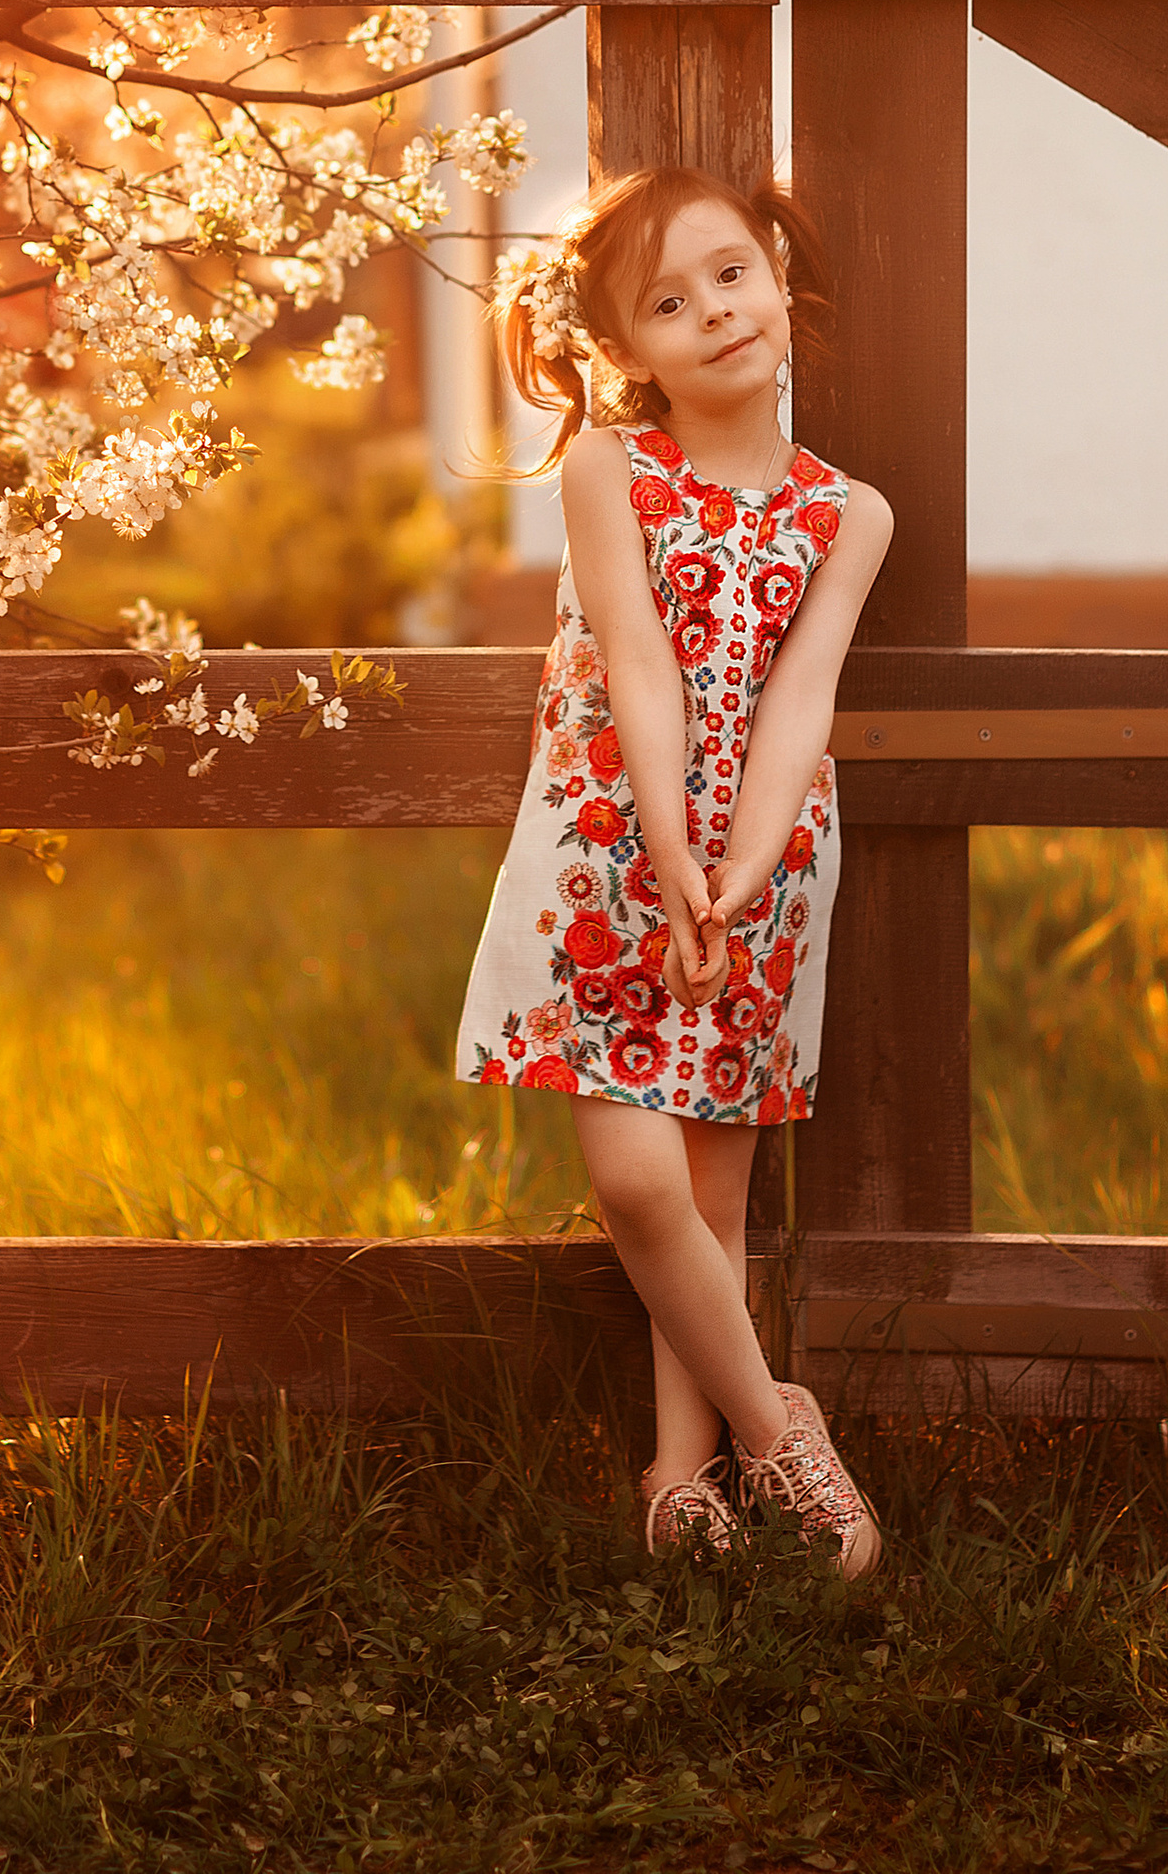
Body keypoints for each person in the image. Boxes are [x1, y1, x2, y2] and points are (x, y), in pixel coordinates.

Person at [454, 161, 893, 1574]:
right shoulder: (611, 471)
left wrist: (747, 866)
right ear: (624, 348)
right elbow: (637, 660)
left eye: (729, 274)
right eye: (666, 302)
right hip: (608, 856)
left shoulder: (848, 516)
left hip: (761, 868)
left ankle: (677, 1477)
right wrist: (668, 851)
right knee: (640, 1187)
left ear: (777, 271)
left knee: (711, 1200)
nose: (711, 313)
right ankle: (785, 1441)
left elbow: (802, 701)